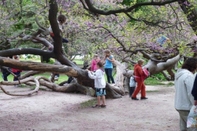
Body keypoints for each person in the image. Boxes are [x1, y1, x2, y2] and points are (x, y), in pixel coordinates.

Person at [174, 58, 197, 131]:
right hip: (188, 107)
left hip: (180, 105)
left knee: (183, 127)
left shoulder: (179, 75)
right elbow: (191, 93)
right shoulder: (188, 76)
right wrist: (195, 106)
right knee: (192, 128)